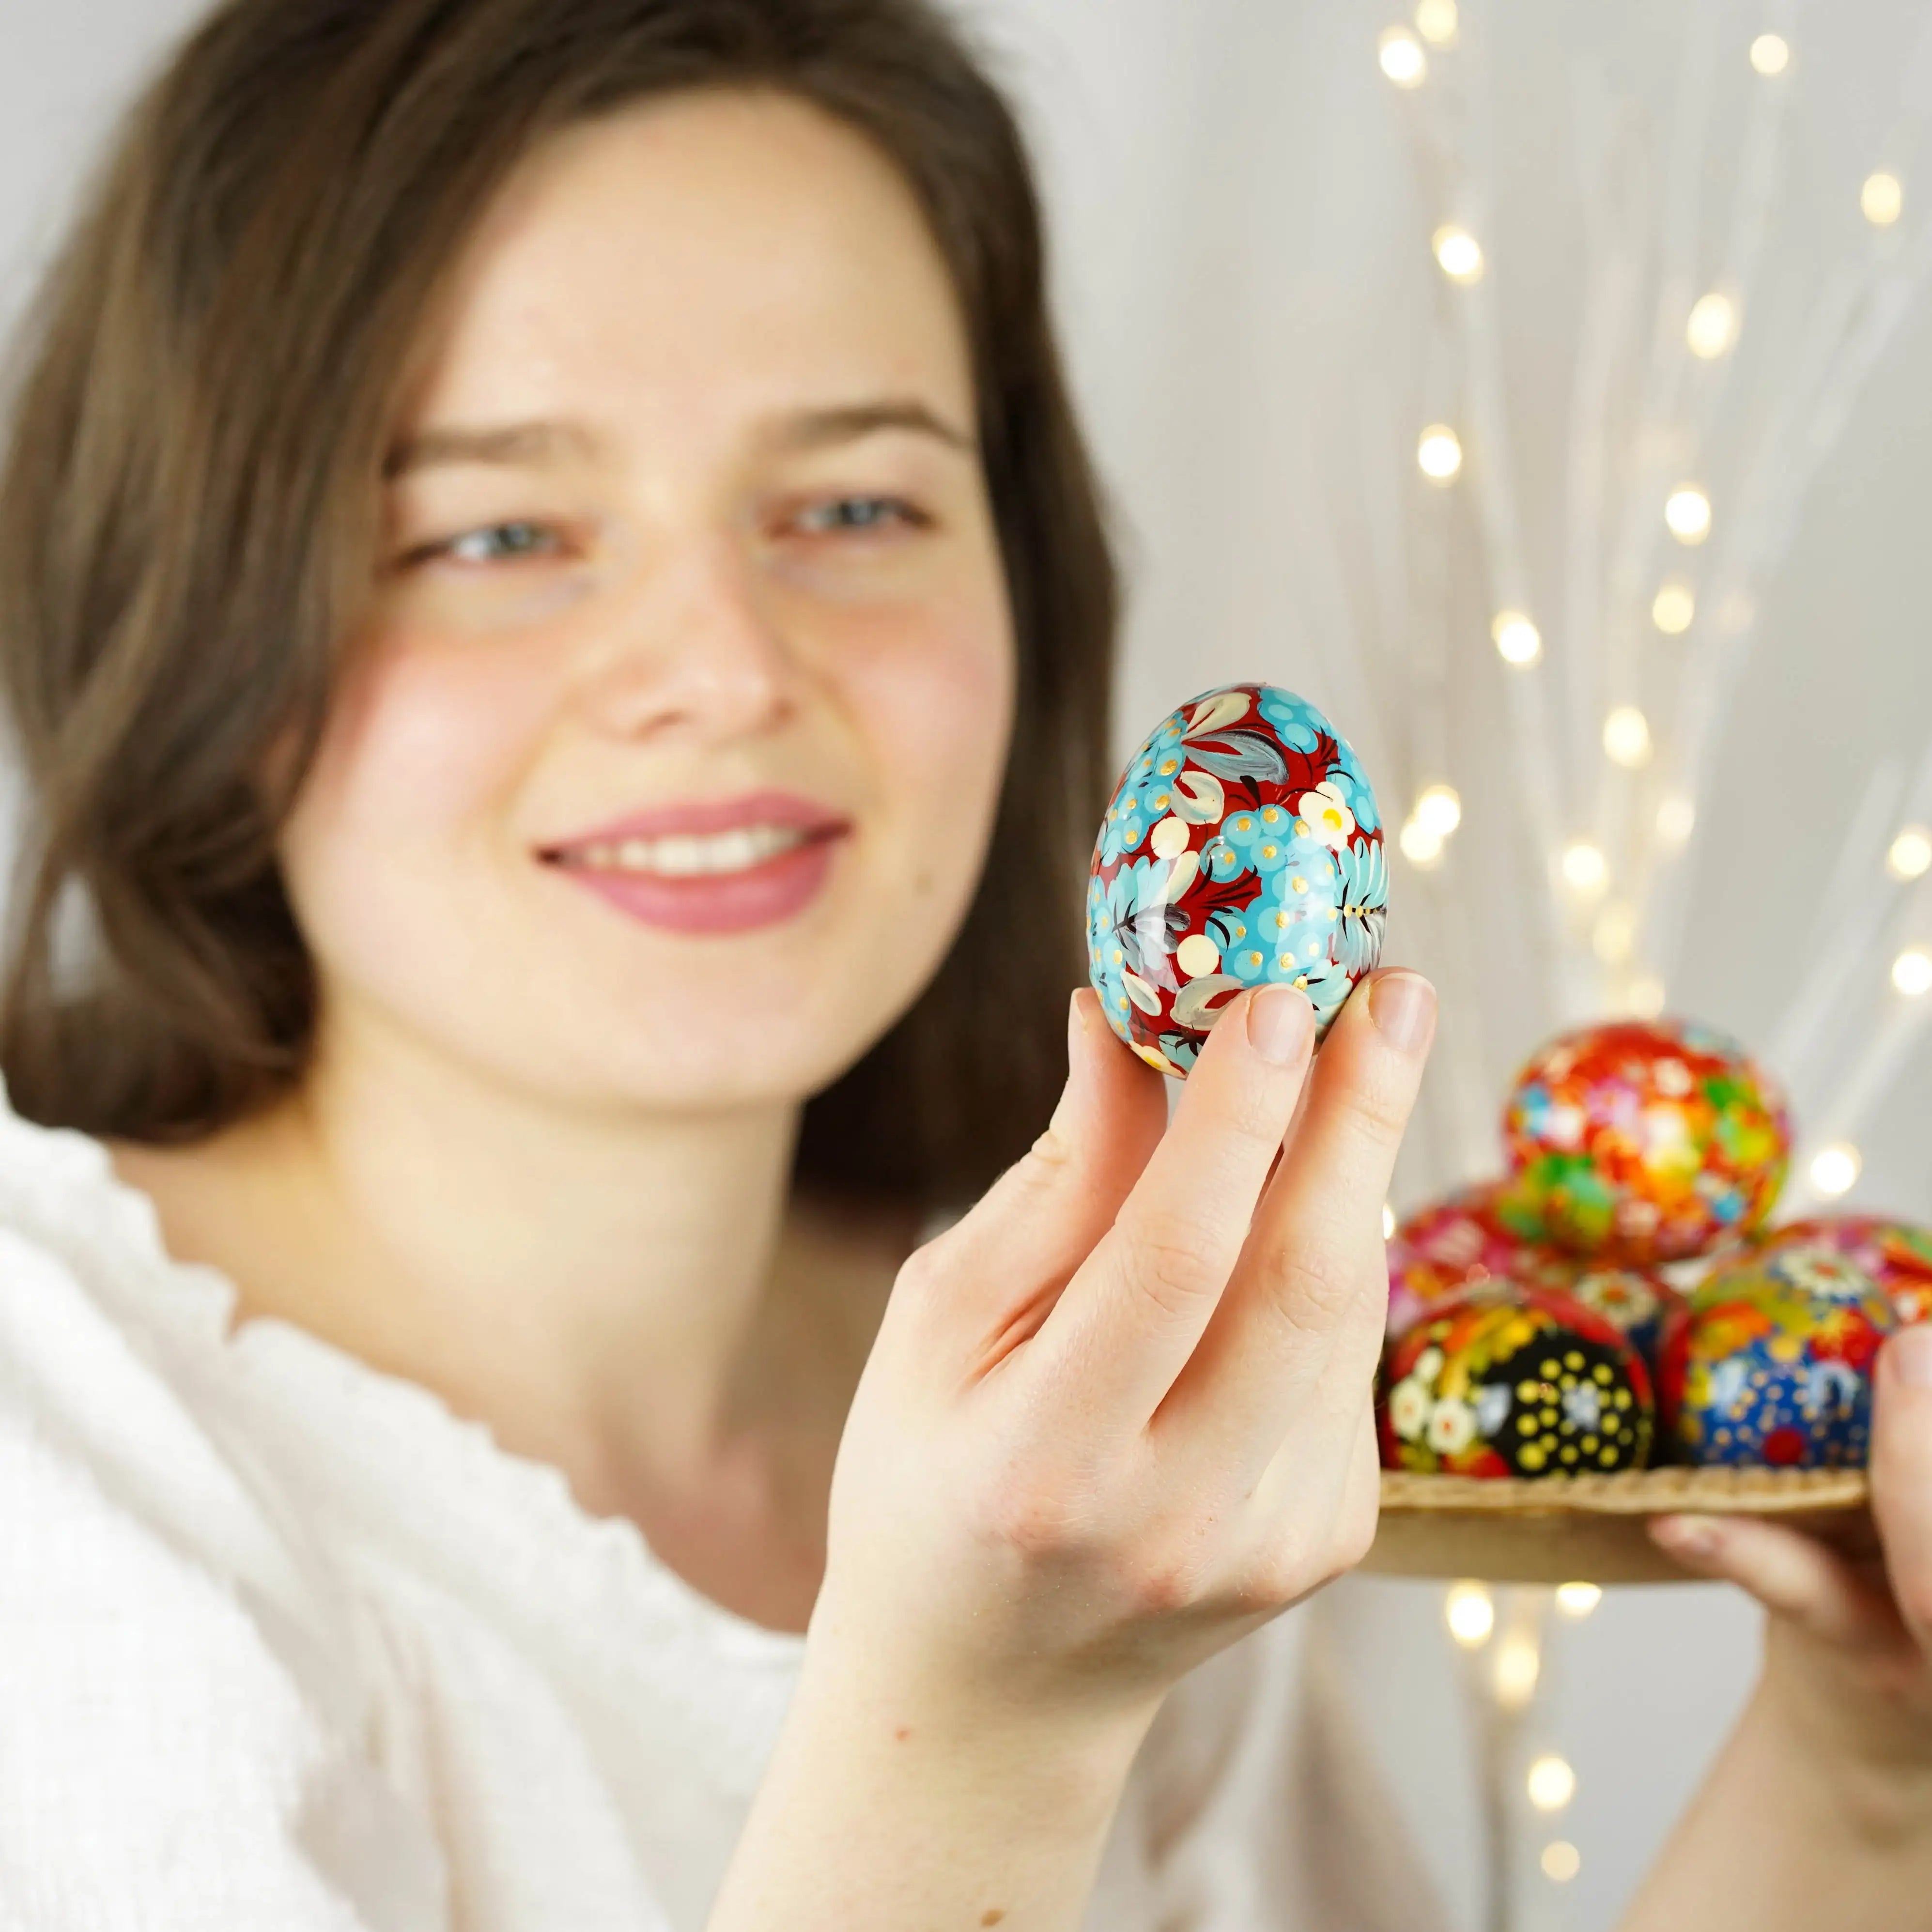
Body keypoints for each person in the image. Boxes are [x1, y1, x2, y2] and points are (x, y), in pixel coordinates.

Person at [0, 2, 1924, 1928]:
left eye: (853, 504)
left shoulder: (1109, 1395)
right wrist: (979, 1732)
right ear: (190, 612)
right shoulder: (63, 1465)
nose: (729, 663)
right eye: (498, 529)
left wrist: (1870, 1758)